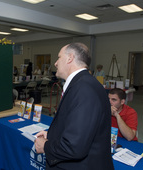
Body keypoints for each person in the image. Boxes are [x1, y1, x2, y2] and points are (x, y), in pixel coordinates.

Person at [35, 42, 113, 170]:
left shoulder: (84, 89)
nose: (55, 63)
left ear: (70, 58)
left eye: (59, 57)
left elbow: (74, 147)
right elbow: (78, 127)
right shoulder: (83, 84)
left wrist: (45, 146)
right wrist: (52, 135)